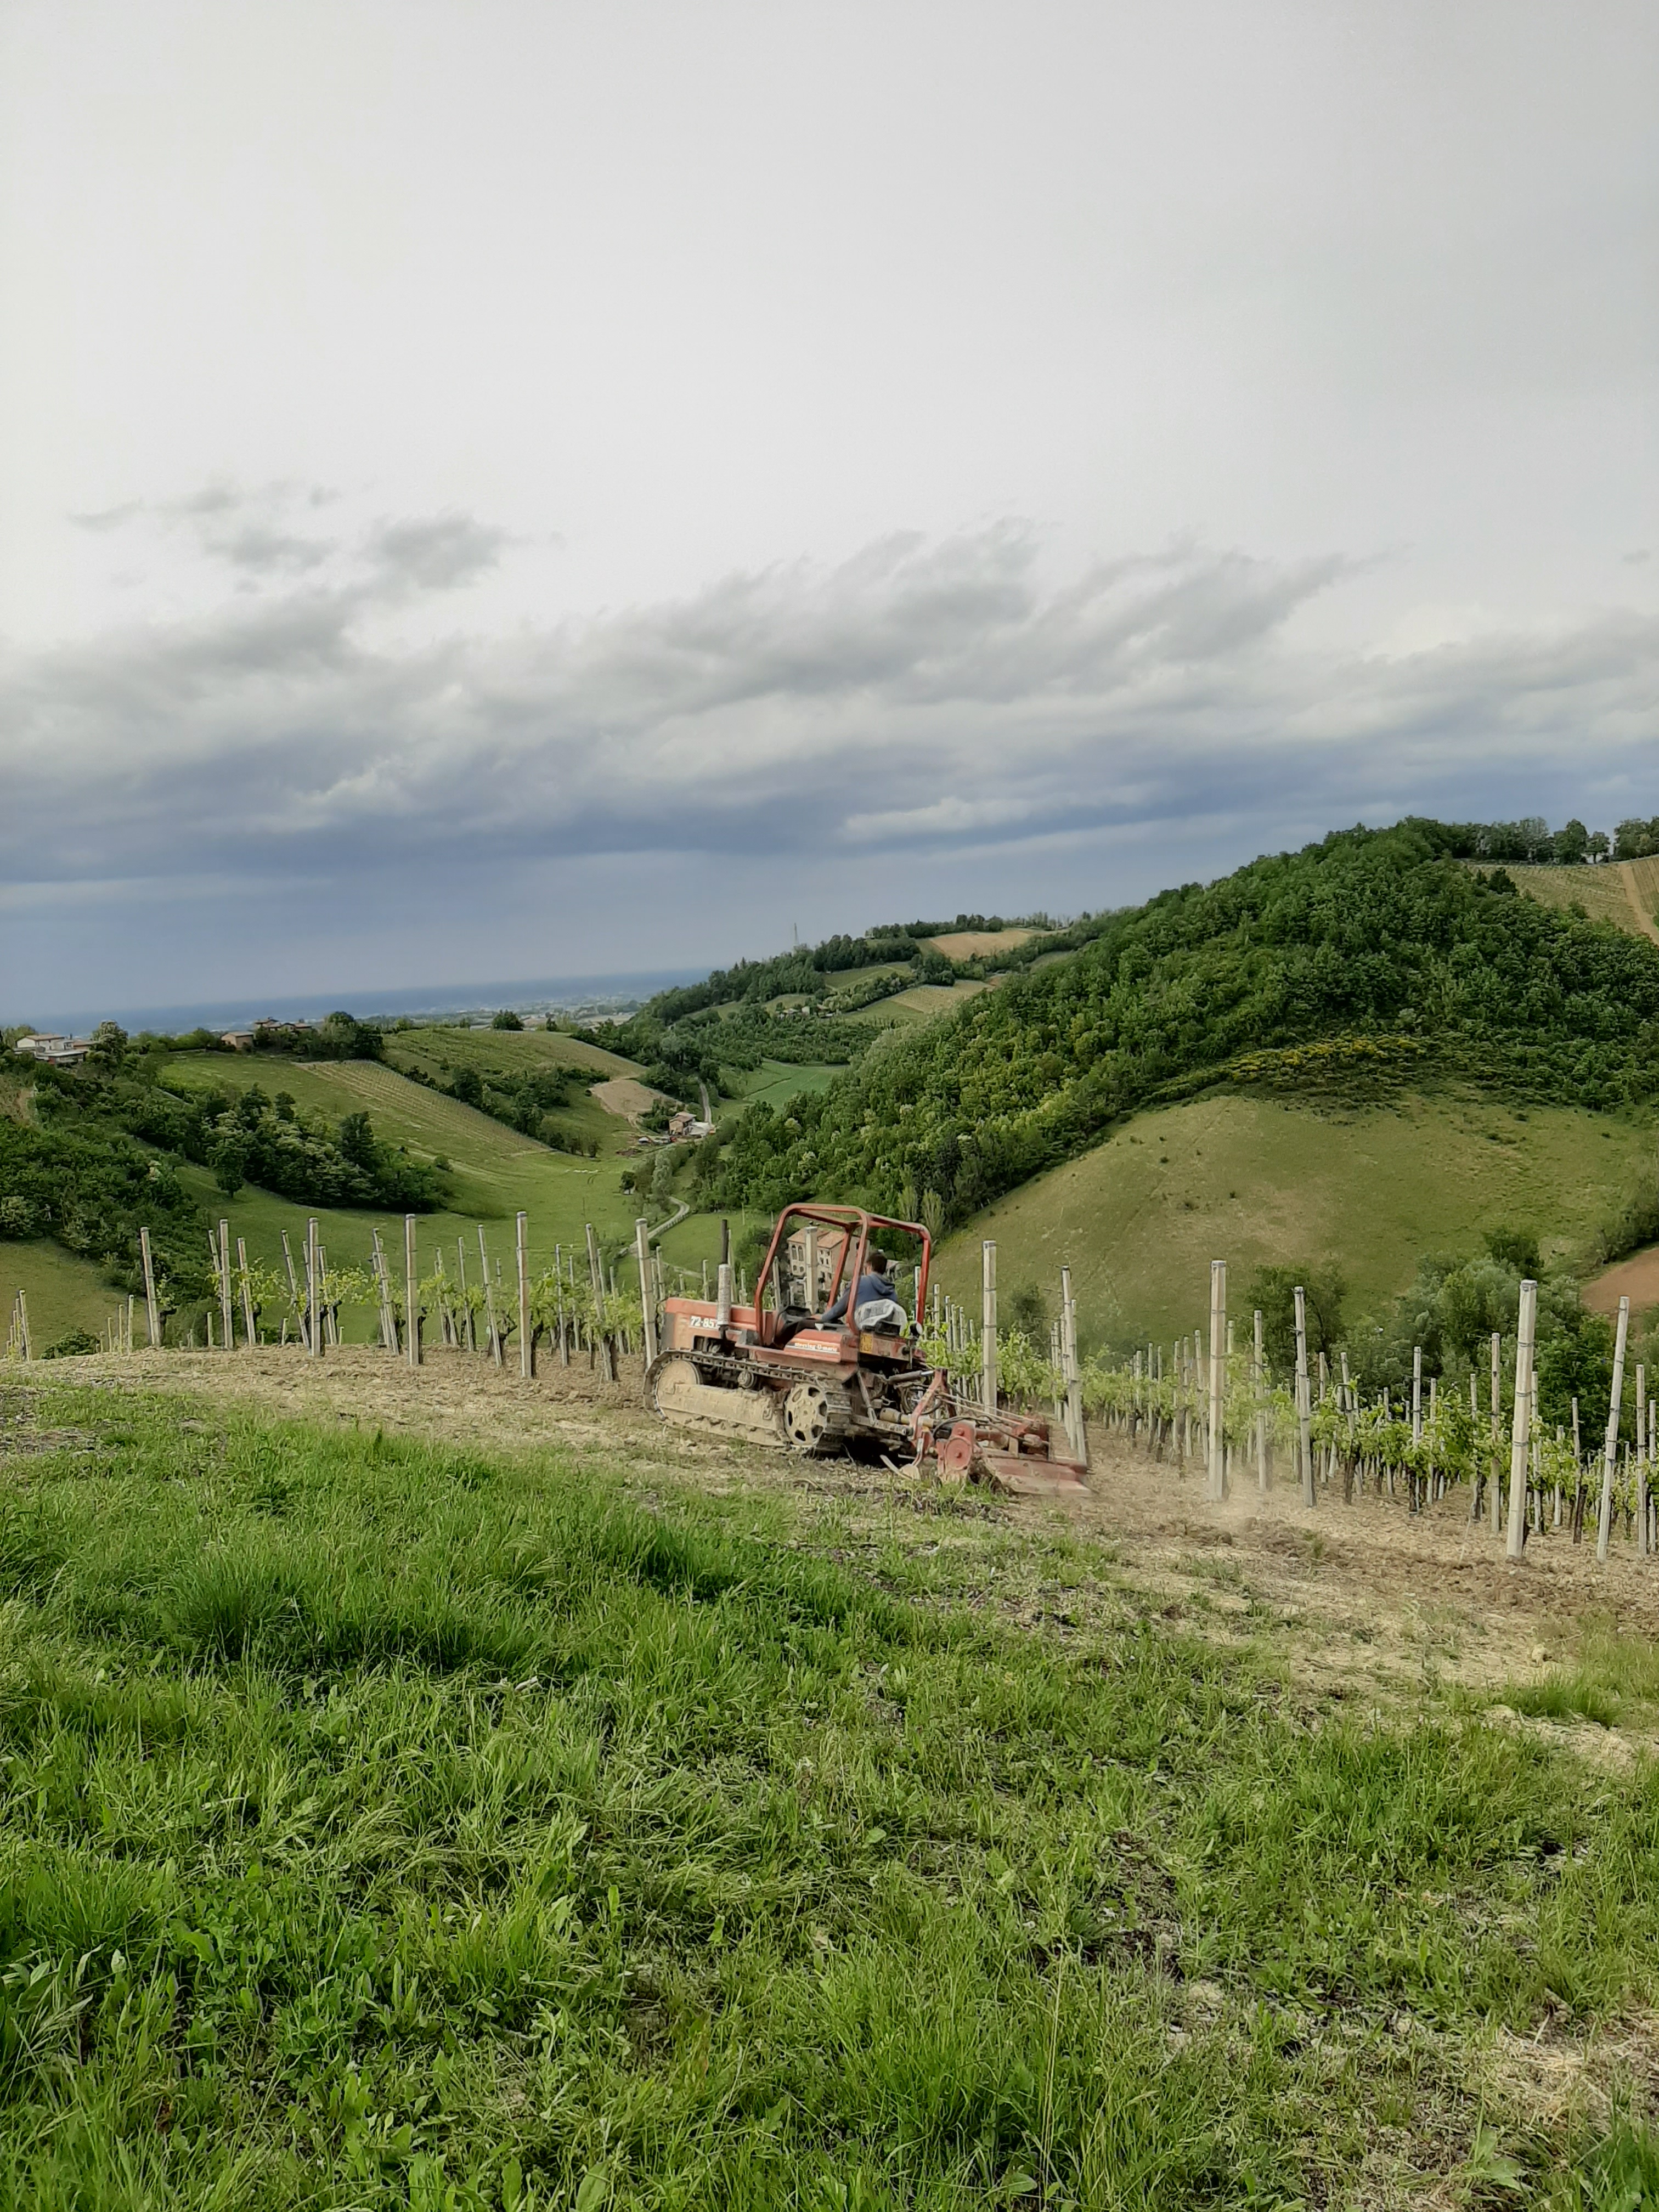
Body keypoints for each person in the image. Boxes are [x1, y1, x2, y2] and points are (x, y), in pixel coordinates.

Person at [821, 1248, 899, 1328]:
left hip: (860, 1332)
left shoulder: (859, 1282)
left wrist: (822, 1318)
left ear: (870, 1266)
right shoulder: (892, 1292)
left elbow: (838, 1310)